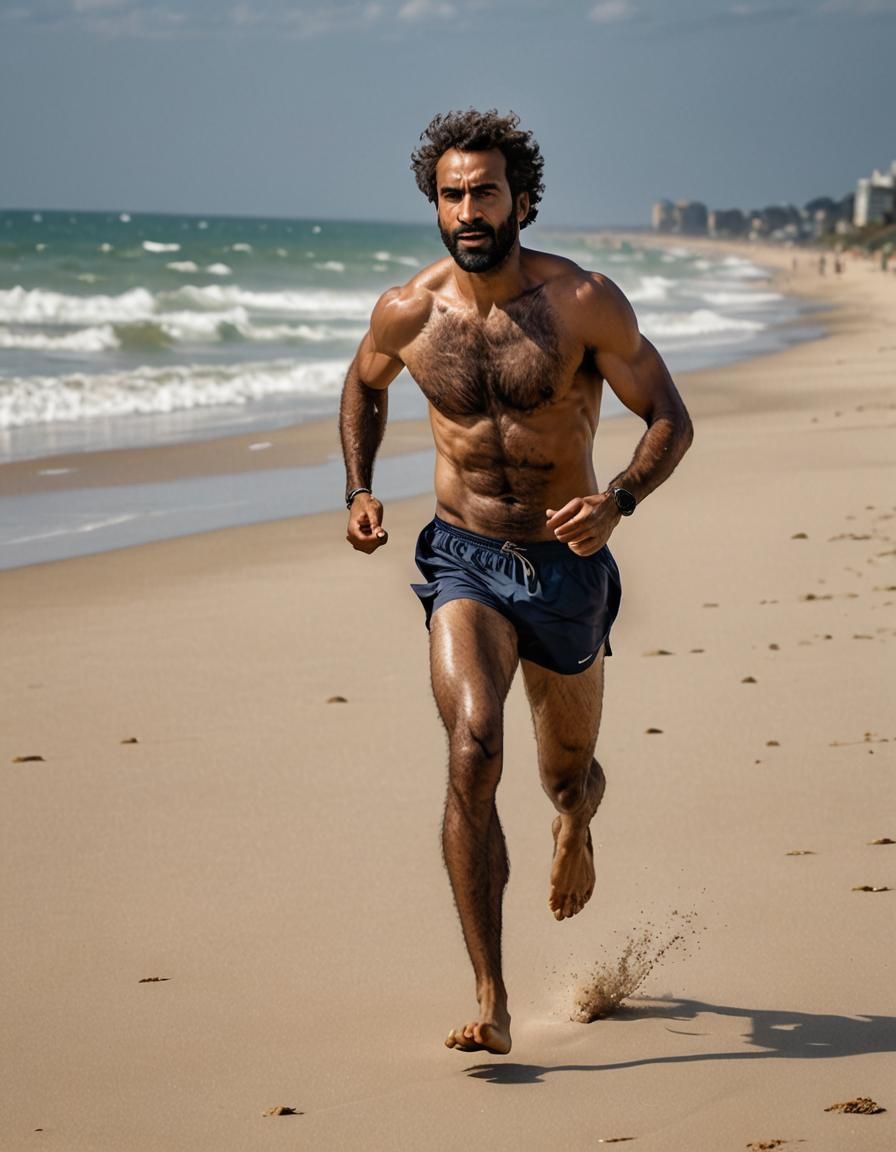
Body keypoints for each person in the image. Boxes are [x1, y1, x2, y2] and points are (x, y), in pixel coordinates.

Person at [339, 109, 693, 1056]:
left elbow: (669, 416)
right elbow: (364, 384)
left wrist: (617, 498)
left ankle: (575, 824)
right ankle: (491, 995)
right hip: (462, 555)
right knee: (473, 744)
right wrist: (361, 488)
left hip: (567, 565)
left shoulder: (581, 302)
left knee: (563, 774)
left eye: (484, 191)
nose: (467, 208)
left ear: (521, 201)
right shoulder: (408, 311)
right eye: (452, 193)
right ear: (436, 202)